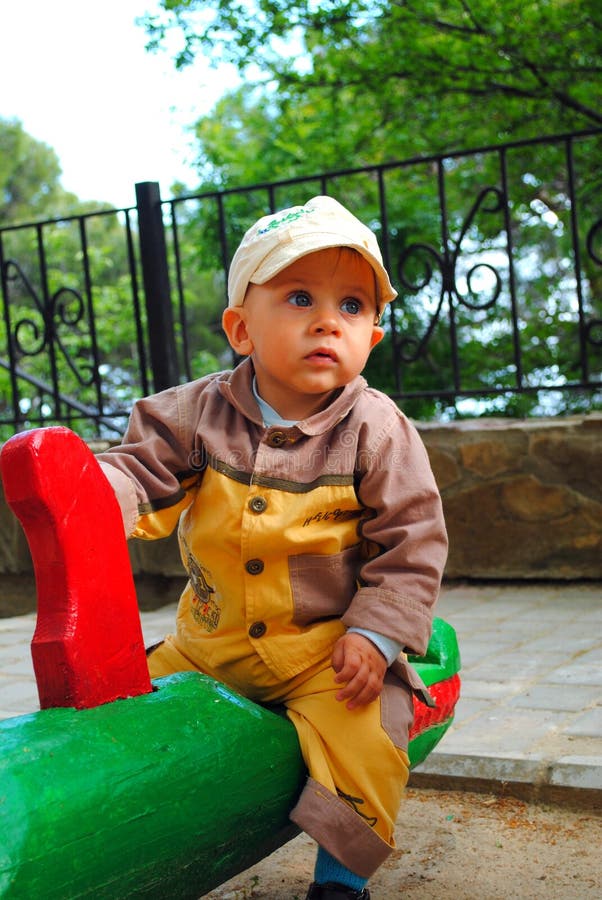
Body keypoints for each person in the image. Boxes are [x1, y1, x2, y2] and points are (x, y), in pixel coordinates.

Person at [98, 195, 448, 900]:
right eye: (298, 297)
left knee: (372, 731)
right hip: (208, 644)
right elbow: (139, 470)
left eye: (353, 306)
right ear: (241, 329)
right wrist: (101, 493)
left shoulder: (376, 430)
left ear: (373, 337)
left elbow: (411, 540)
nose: (328, 321)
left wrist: (377, 636)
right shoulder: (194, 414)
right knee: (121, 709)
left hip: (324, 651)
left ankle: (340, 881)